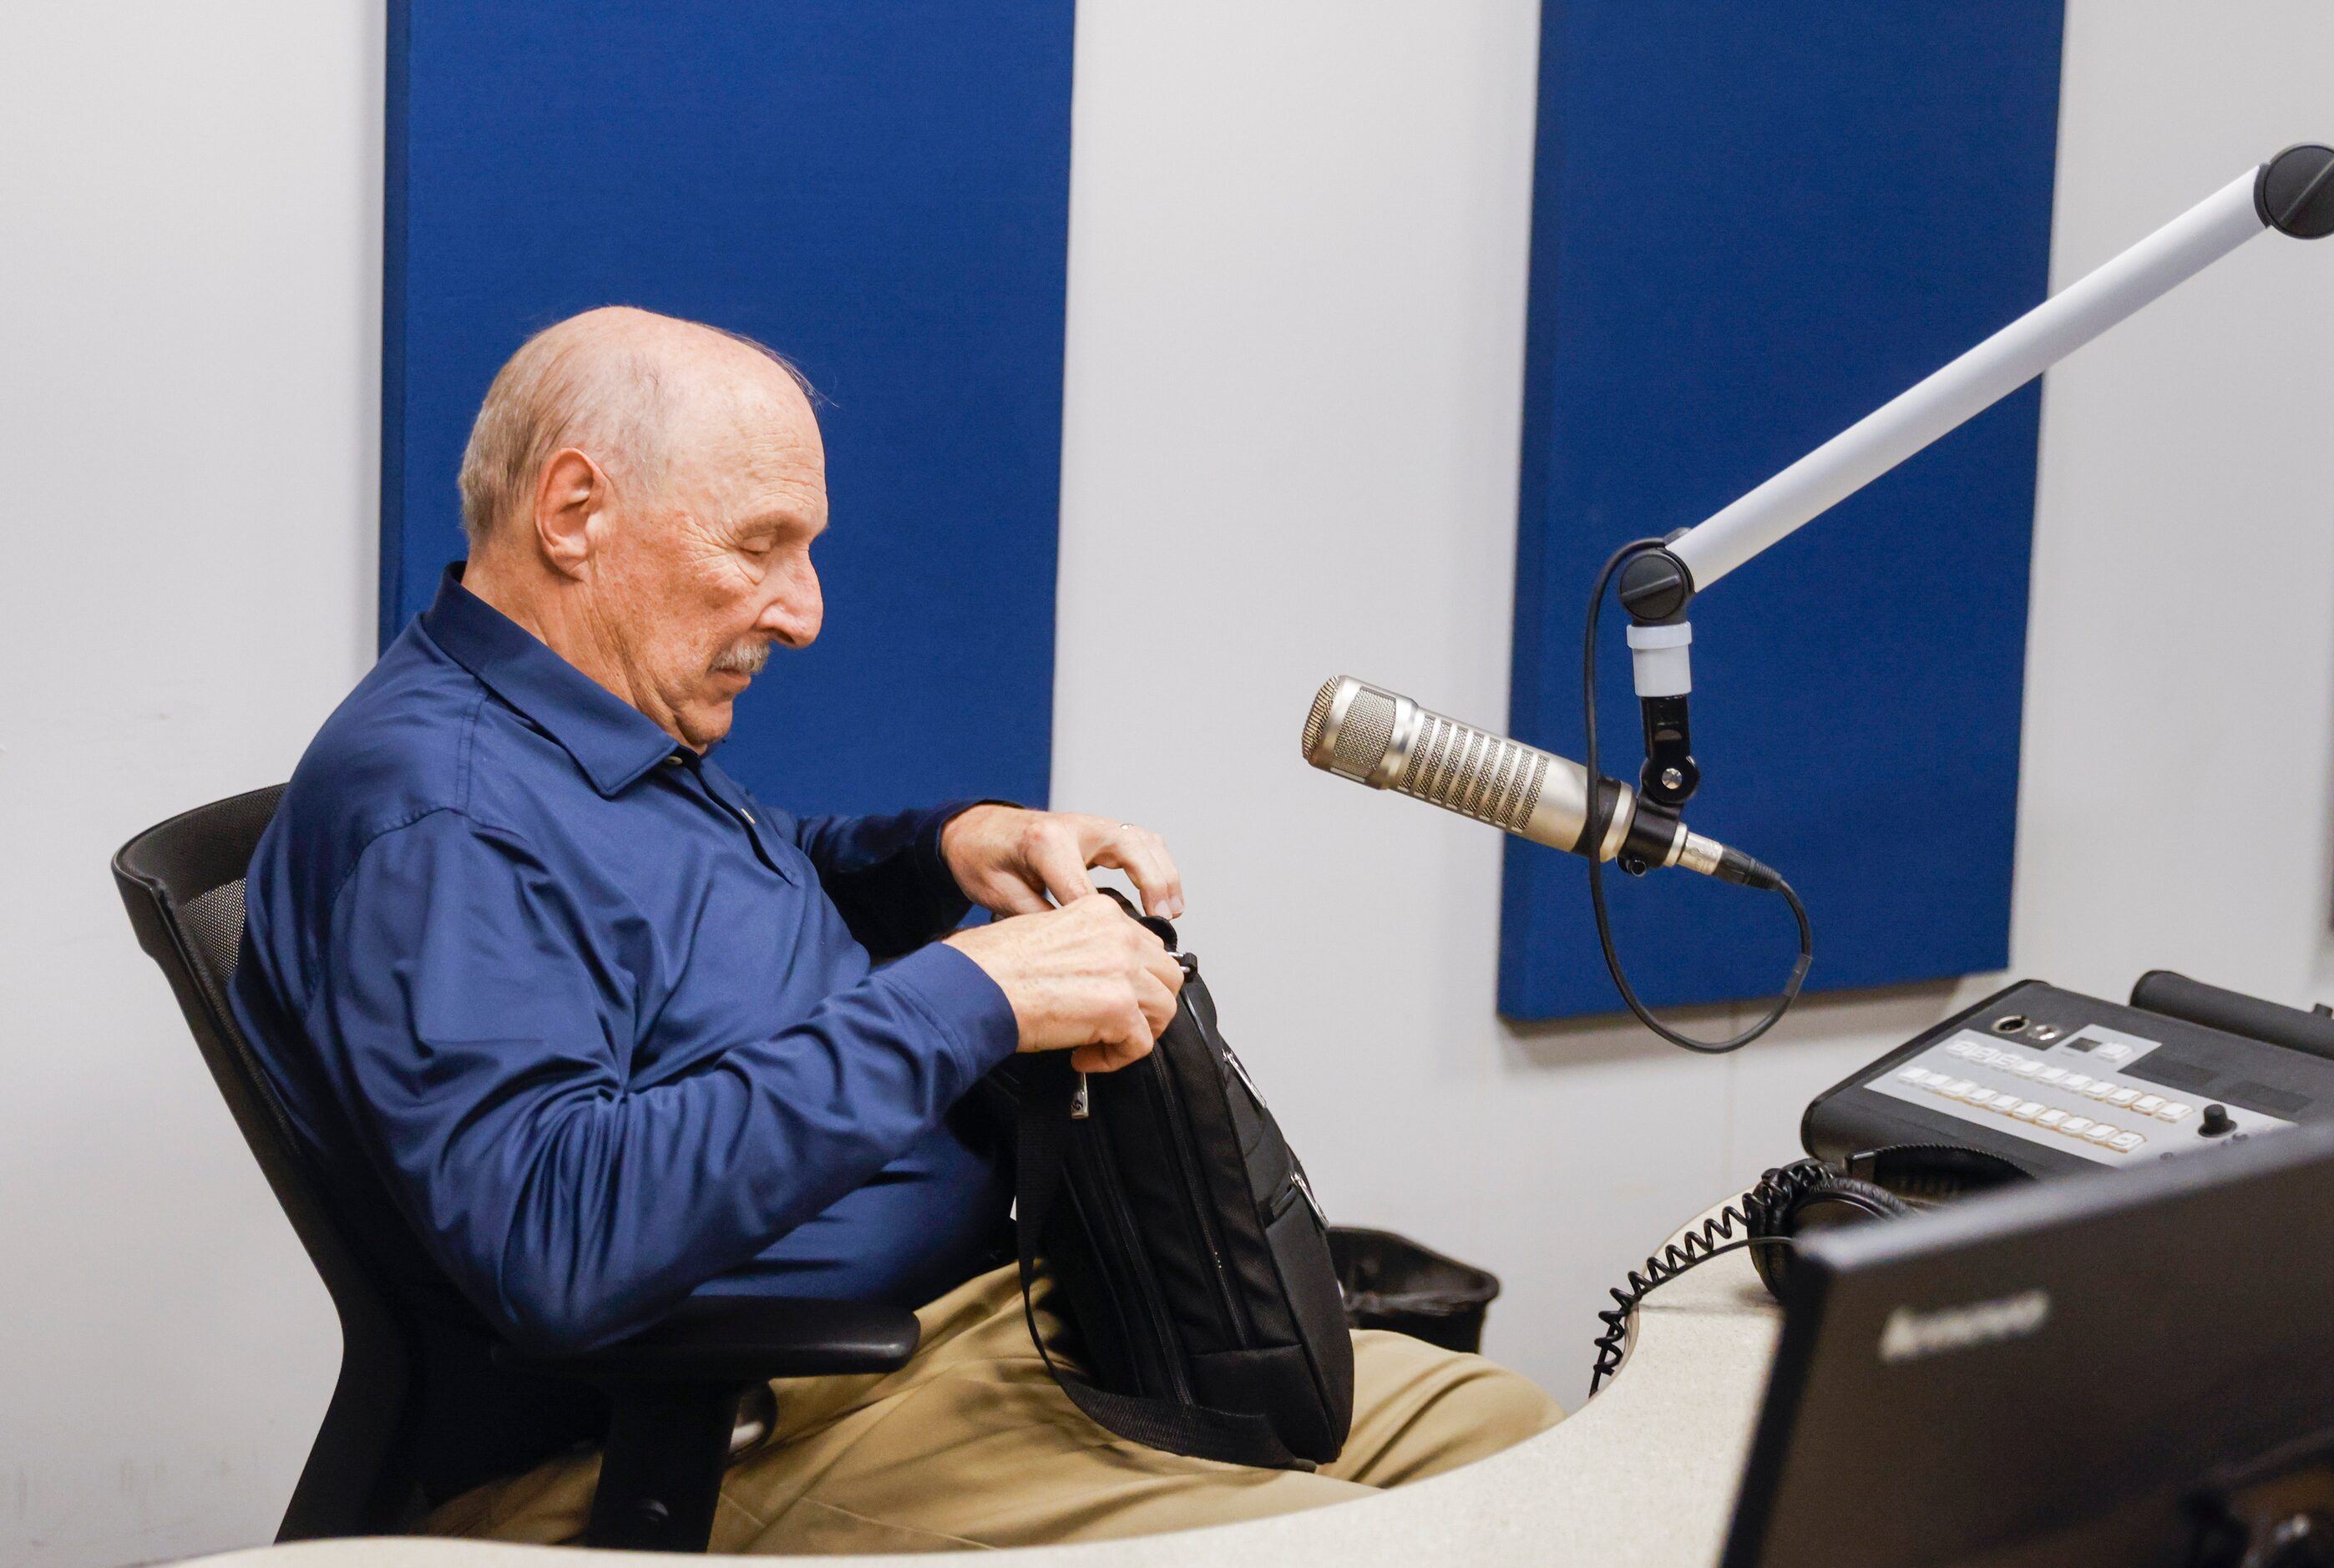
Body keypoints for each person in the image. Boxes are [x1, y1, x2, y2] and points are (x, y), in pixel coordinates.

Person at [233, 306, 1562, 1552]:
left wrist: (938, 850)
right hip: (760, 1421)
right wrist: (971, 994)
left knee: (1514, 1445)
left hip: (978, 1323)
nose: (803, 611)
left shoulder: (588, 725)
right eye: (759, 545)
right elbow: (557, 1236)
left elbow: (710, 914)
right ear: (577, 511)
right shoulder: (438, 815)